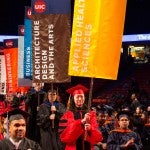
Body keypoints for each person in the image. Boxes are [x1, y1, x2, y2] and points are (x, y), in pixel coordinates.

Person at [59, 84, 103, 150]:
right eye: (77, 97)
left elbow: (98, 137)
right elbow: (64, 137)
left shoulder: (91, 114)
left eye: (82, 96)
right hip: (72, 147)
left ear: (84, 98)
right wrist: (81, 122)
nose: (80, 99)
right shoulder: (67, 115)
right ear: (73, 98)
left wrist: (90, 128)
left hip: (88, 147)